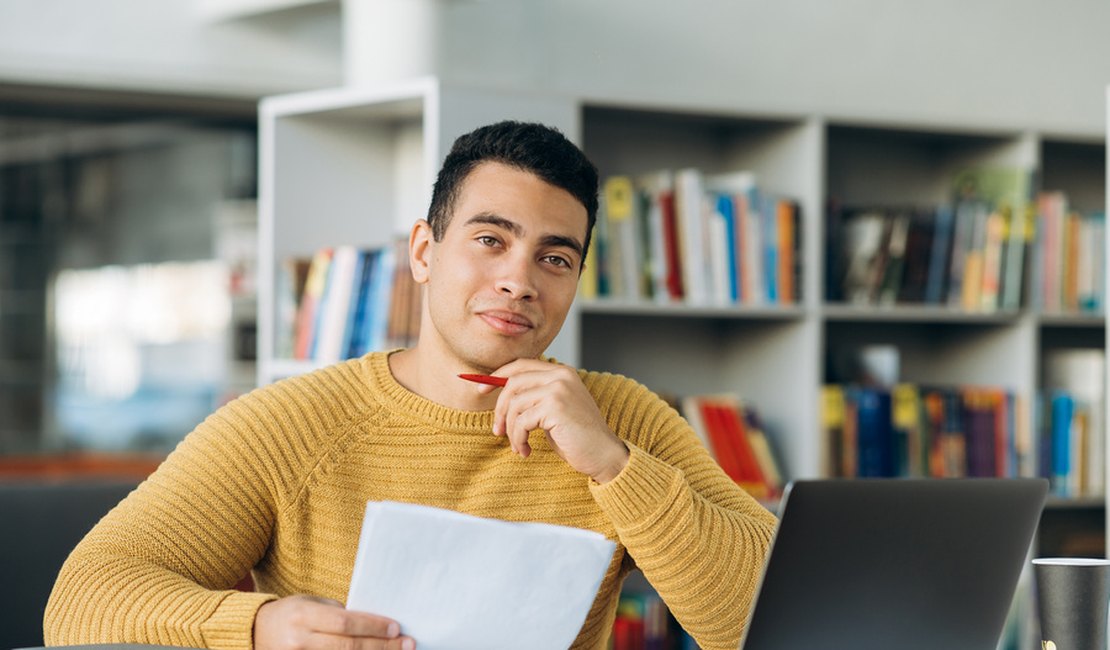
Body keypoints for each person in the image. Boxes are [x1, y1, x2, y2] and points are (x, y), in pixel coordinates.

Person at [45, 121, 777, 650]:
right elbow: (83, 600)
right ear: (425, 252)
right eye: (490, 240)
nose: (517, 280)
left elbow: (761, 623)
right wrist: (263, 627)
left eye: (554, 258)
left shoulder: (621, 419)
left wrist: (613, 467)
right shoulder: (290, 425)